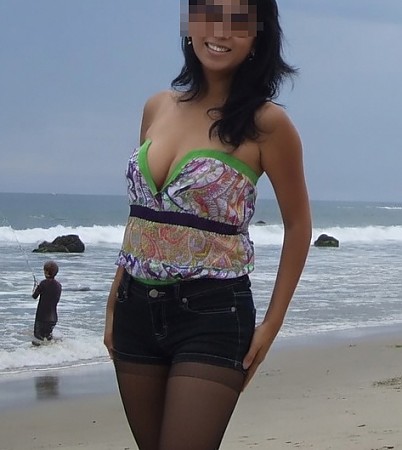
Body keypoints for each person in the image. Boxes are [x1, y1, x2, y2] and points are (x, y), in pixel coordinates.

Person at [104, 1, 311, 448]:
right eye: (210, 15)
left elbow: (298, 226)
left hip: (214, 313)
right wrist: (114, 298)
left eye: (239, 21)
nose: (221, 31)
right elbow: (143, 210)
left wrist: (271, 325)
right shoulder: (157, 106)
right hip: (135, 308)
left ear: (259, 36)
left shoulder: (267, 124)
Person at [32, 260, 62, 345]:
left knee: (38, 339)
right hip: (53, 318)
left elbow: (34, 296)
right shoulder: (59, 285)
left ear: (46, 272)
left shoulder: (43, 284)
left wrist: (36, 287)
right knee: (48, 338)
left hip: (42, 317)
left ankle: (39, 353)